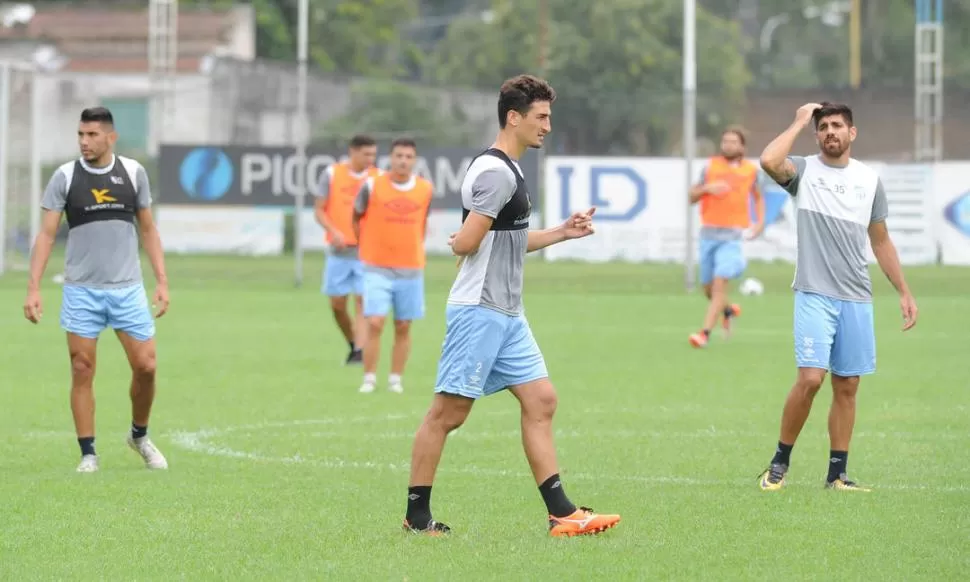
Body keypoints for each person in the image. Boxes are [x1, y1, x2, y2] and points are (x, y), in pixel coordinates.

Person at [402, 74, 620, 537]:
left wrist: (562, 231)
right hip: (479, 309)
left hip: (507, 312)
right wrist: (459, 239)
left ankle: (561, 514)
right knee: (448, 415)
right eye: (541, 117)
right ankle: (416, 517)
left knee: (541, 399)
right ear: (514, 118)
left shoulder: (511, 169)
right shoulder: (497, 172)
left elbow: (506, 241)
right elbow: (467, 242)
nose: (547, 126)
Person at [758, 102, 918, 492]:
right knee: (811, 379)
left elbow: (880, 241)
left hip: (857, 298)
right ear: (817, 135)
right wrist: (799, 120)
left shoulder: (869, 180)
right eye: (823, 126)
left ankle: (837, 475)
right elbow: (767, 160)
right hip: (814, 292)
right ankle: (779, 463)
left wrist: (904, 290)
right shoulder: (804, 171)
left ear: (852, 133)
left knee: (847, 386)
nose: (830, 131)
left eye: (837, 126)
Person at [23, 107, 170, 473]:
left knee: (147, 367)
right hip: (81, 291)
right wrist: (33, 287)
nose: (84, 142)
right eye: (80, 135)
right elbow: (46, 234)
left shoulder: (134, 173)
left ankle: (139, 436)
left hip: (128, 290)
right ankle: (88, 453)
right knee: (82, 367)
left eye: (91, 135)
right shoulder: (65, 176)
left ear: (110, 137)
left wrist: (162, 280)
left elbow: (148, 230)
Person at [351, 137, 432, 394]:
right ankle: (369, 378)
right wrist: (363, 244)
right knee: (375, 321)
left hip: (410, 268)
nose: (403, 161)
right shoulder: (372, 186)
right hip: (376, 266)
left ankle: (396, 378)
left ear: (414, 160)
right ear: (390, 158)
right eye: (399, 156)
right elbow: (356, 215)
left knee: (403, 325)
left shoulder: (425, 189)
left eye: (408, 157)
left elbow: (423, 222)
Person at [688, 126, 766, 347]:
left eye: (733, 142)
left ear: (742, 146)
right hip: (708, 234)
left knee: (720, 282)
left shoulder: (751, 171)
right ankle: (729, 310)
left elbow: (759, 198)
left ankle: (703, 334)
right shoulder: (710, 167)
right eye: (725, 142)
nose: (728, 146)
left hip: (732, 236)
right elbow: (690, 196)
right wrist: (706, 189)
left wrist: (759, 223)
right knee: (708, 289)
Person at [313, 134, 380, 365]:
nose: (371, 158)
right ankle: (353, 344)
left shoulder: (377, 178)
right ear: (353, 152)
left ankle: (360, 352)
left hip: (365, 253)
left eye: (374, 154)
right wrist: (334, 231)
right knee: (337, 306)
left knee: (362, 301)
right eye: (366, 154)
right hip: (338, 252)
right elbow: (319, 210)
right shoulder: (332, 174)